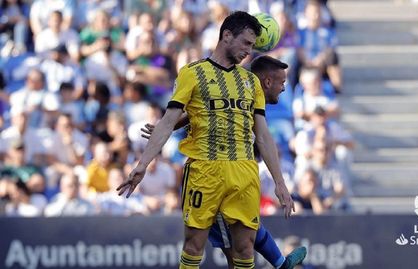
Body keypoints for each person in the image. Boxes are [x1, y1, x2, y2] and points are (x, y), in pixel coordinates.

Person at [117, 11, 295, 269]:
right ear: (226, 35)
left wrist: (280, 182)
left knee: (245, 248)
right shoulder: (192, 73)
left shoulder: (250, 82)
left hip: (244, 170)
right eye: (245, 43)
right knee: (193, 246)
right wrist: (142, 165)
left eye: (252, 44)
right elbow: (168, 122)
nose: (249, 50)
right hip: (204, 169)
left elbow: (263, 135)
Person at [141, 55, 307, 269]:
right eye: (282, 82)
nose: (284, 88)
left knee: (244, 238)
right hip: (211, 173)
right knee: (234, 248)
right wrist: (166, 127)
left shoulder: (247, 99)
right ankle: (280, 263)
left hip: (234, 172)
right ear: (266, 81)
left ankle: (280, 262)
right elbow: (198, 112)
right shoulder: (233, 88)